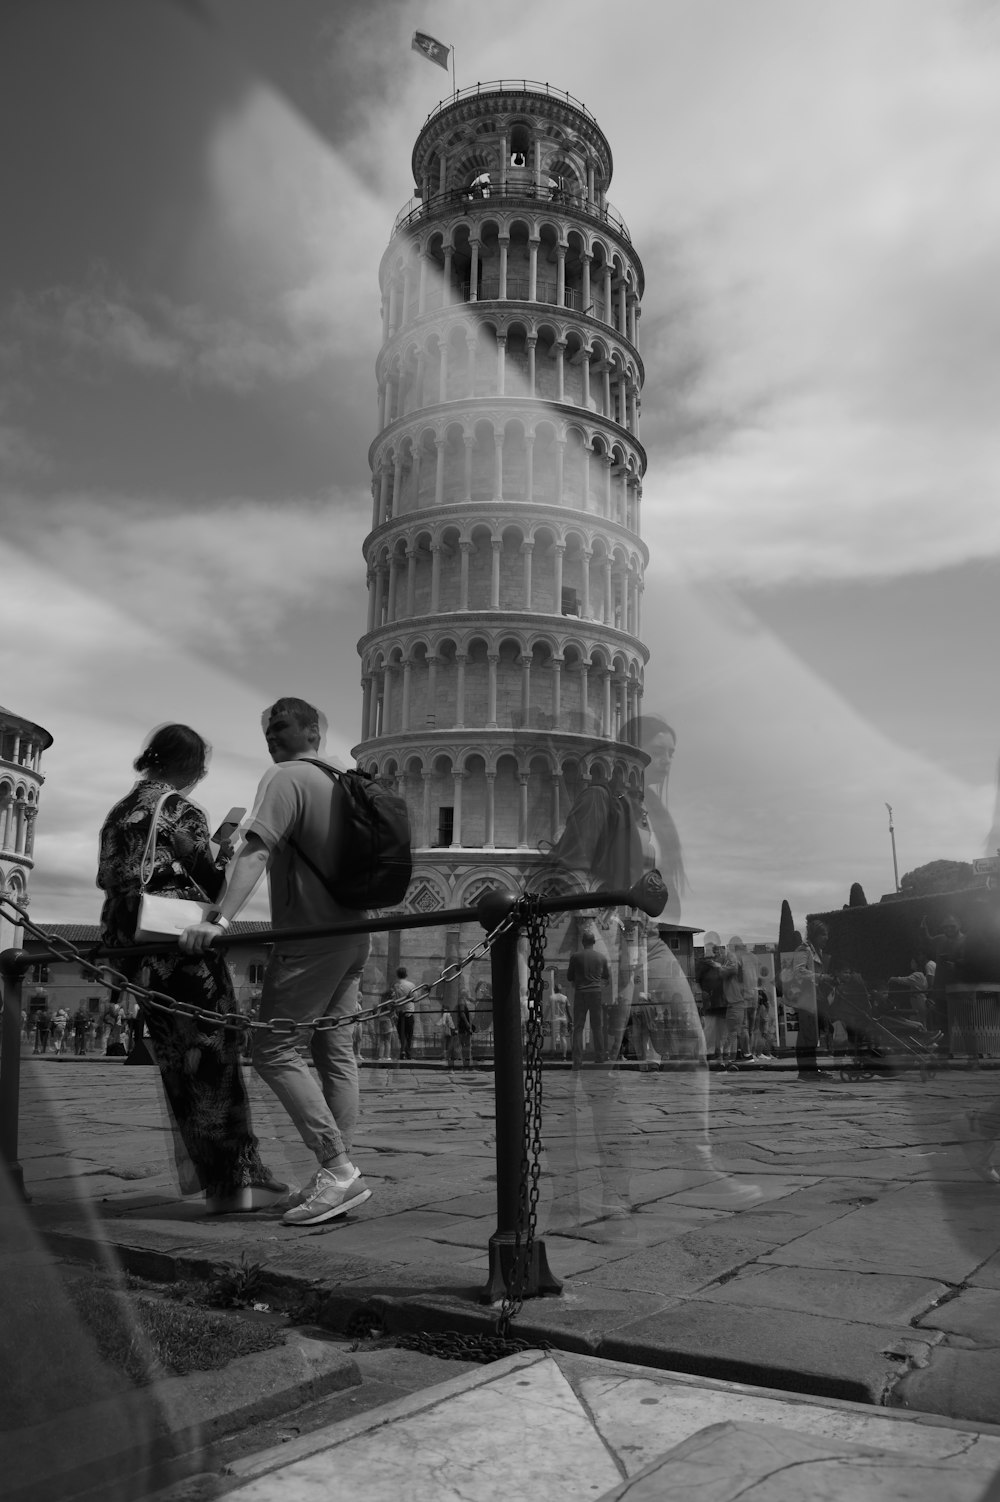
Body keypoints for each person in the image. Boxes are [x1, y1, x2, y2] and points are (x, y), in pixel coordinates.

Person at [180, 697, 372, 1227]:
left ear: (312, 729)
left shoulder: (286, 777)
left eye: (282, 726)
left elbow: (257, 852)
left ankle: (337, 1170)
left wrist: (218, 921)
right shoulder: (345, 780)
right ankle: (337, 1173)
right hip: (357, 933)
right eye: (267, 729)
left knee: (273, 1050)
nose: (272, 736)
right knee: (336, 1055)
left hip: (311, 936)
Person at [98, 723, 281, 1212]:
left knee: (178, 1064)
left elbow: (110, 876)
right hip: (181, 945)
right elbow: (207, 877)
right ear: (190, 765)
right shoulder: (180, 809)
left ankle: (213, 1176)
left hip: (135, 950)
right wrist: (225, 855)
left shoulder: (120, 812)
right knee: (213, 1056)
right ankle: (236, 1182)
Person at [790, 918, 834, 1081]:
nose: (826, 938)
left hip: (812, 997)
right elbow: (799, 972)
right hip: (804, 997)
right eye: (823, 935)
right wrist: (820, 977)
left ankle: (811, 1069)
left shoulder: (816, 952)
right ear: (815, 936)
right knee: (806, 1034)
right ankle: (806, 1071)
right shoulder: (804, 950)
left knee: (811, 1034)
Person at [567, 930, 610, 1067]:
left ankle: (577, 1060)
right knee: (597, 1026)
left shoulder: (575, 957)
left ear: (583, 942)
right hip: (596, 993)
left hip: (580, 993)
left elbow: (569, 977)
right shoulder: (601, 958)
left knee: (578, 1027)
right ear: (594, 942)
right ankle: (600, 1057)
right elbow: (606, 976)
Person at [392, 967, 417, 1059]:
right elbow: (415, 997)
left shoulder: (395, 985)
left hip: (399, 1013)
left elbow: (393, 999)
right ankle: (408, 1053)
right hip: (409, 1011)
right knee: (409, 1035)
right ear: (406, 974)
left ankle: (402, 1051)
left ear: (397, 974)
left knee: (401, 1034)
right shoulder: (411, 985)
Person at [455, 988, 475, 1068]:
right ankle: (466, 1063)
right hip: (464, 1027)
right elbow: (462, 1013)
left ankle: (466, 1062)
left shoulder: (462, 1001)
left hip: (463, 1026)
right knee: (466, 1045)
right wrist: (467, 1024)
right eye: (467, 993)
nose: (468, 994)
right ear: (464, 994)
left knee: (465, 1045)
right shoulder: (462, 1002)